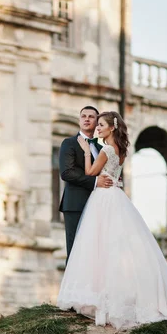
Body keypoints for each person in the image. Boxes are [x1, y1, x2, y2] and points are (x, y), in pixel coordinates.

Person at [56, 110, 167, 329]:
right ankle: (93, 295)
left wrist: (87, 155)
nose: (93, 124)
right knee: (96, 249)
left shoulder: (105, 149)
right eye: (85, 117)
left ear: (110, 127)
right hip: (102, 199)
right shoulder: (105, 148)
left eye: (98, 121)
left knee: (102, 248)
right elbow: (68, 173)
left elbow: (92, 171)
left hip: (102, 200)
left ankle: (98, 297)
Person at [58, 106, 114, 263]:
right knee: (76, 250)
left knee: (96, 251)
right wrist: (96, 181)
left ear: (97, 122)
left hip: (98, 204)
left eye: (91, 116)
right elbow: (66, 173)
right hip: (75, 205)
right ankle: (72, 287)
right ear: (79, 120)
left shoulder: (102, 148)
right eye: (83, 116)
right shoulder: (68, 143)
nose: (87, 119)